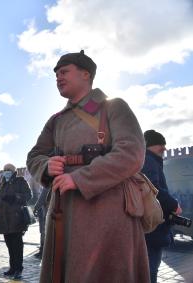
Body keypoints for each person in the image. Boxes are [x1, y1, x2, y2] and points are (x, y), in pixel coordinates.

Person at [26, 50, 150, 282]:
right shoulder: (56, 120)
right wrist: (45, 165)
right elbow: (34, 155)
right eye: (56, 74)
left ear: (85, 74)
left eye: (64, 72)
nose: (58, 77)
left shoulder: (113, 107)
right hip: (65, 211)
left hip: (107, 211)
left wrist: (80, 178)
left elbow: (131, 152)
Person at [142, 130, 182, 283]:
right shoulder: (149, 160)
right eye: (160, 145)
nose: (164, 149)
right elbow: (154, 189)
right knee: (151, 269)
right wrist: (174, 205)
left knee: (151, 267)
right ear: (149, 146)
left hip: (150, 225)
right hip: (153, 226)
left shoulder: (148, 159)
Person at [0, 163, 32, 280]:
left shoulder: (20, 181)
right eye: (4, 169)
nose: (6, 171)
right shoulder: (2, 183)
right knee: (9, 244)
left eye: (8, 170)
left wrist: (15, 197)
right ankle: (12, 267)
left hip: (16, 218)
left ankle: (18, 269)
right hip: (4, 219)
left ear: (13, 171)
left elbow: (29, 195)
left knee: (17, 245)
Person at [33, 186, 47, 259]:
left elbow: (41, 199)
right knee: (43, 233)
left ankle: (43, 252)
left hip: (46, 213)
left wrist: (35, 208)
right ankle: (42, 251)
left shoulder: (47, 184)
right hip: (45, 213)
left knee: (43, 233)